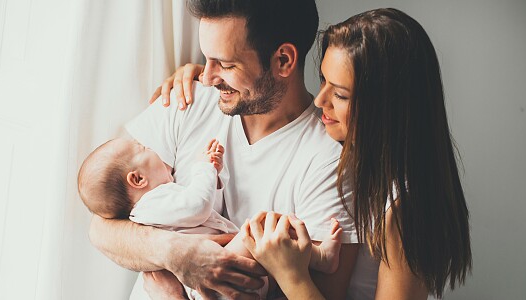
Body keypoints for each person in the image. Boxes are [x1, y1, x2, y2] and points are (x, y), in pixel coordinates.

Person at [160, 7, 472, 300]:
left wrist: (290, 272)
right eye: (323, 80)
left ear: (387, 109)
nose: (320, 100)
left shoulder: (404, 208)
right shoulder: (354, 159)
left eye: (340, 94)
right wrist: (220, 74)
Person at [88, 1, 362, 299]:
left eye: (226, 65)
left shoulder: (329, 162)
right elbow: (101, 228)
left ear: (283, 60)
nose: (206, 77)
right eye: (207, 60)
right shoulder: (186, 99)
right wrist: (177, 254)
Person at [79, 137, 343, 299]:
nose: (154, 149)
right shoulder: (151, 205)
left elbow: (206, 214)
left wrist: (213, 175)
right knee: (262, 228)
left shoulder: (161, 204)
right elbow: (198, 207)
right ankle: (320, 258)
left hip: (217, 282)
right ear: (137, 179)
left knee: (272, 255)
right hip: (211, 285)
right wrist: (203, 168)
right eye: (144, 147)